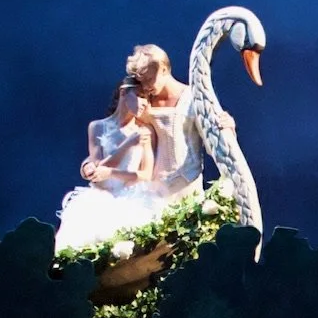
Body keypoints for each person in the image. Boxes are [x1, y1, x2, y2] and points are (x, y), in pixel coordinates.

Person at [55, 45, 206, 253]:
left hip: (177, 184)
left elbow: (210, 129)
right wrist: (88, 166)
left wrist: (226, 125)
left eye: (147, 79)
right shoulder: (136, 102)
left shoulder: (189, 99)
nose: (145, 87)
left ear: (163, 69)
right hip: (137, 190)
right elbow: (102, 151)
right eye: (140, 83)